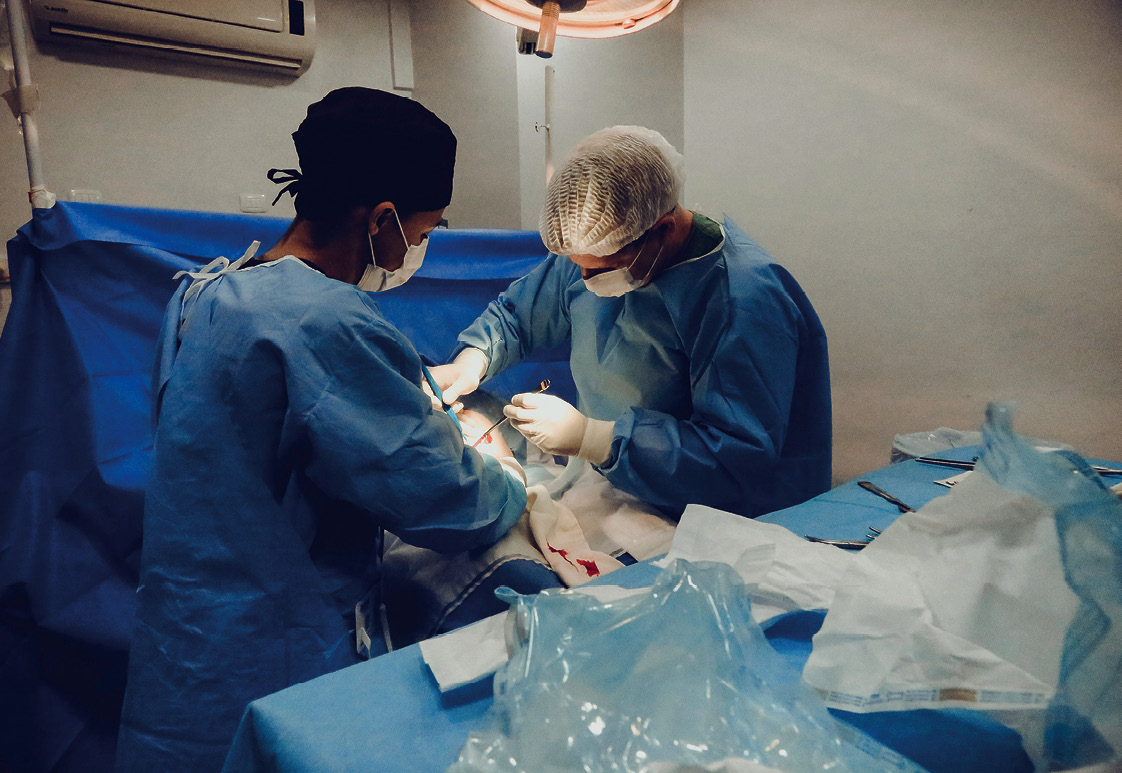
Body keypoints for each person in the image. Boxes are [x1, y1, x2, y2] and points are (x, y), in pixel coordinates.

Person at [115, 88, 527, 772]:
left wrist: (398, 401)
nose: (417, 250)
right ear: (383, 219)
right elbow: (445, 497)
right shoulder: (323, 321)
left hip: (185, 644)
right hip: (269, 649)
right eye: (423, 233)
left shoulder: (211, 292)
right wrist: (505, 474)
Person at [432, 125, 831, 519]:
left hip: (723, 519)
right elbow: (519, 316)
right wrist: (473, 360)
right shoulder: (596, 246)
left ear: (663, 229)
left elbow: (735, 458)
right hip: (619, 489)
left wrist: (594, 438)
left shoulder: (742, 300)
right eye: (577, 265)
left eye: (603, 268)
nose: (584, 279)